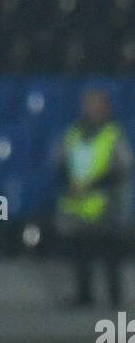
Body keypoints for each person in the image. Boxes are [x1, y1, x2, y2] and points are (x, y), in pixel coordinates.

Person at [55, 88, 132, 308]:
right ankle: (84, 296)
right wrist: (71, 182)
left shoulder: (113, 135)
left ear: (105, 109)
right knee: (81, 254)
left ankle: (114, 297)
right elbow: (61, 163)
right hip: (77, 206)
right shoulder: (72, 134)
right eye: (89, 105)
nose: (91, 110)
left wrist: (91, 185)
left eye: (96, 105)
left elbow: (122, 169)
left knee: (110, 254)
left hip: (107, 206)